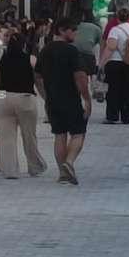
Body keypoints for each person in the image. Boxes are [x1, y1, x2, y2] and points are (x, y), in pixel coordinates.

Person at [35, 17, 93, 186]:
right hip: (71, 98)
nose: (75, 33)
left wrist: (45, 95)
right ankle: (69, 162)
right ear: (61, 30)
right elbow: (80, 76)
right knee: (78, 133)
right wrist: (87, 99)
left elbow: (37, 76)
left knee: (59, 135)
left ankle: (63, 174)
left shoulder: (45, 50)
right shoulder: (71, 51)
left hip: (53, 100)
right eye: (72, 30)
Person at [0, 33, 46, 179]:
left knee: (6, 137)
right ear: (24, 45)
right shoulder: (31, 59)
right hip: (25, 98)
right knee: (29, 136)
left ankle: (10, 171)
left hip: (4, 98)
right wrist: (45, 98)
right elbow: (38, 81)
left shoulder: (1, 58)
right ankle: (35, 167)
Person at [101, 5, 129, 124]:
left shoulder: (115, 30)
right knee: (127, 90)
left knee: (113, 90)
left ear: (117, 17)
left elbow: (111, 47)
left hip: (115, 62)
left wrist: (102, 63)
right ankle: (126, 116)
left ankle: (112, 116)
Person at [73, 11, 102, 76]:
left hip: (74, 51)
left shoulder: (76, 25)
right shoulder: (97, 28)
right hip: (88, 55)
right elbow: (100, 43)